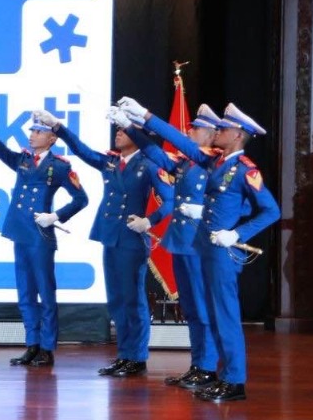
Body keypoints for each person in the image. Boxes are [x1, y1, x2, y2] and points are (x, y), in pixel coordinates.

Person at [117, 97, 280, 402]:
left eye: (225, 129)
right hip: (204, 246)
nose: (219, 131)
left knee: (225, 315)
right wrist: (141, 120)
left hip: (222, 251)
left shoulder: (245, 170)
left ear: (238, 135)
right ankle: (220, 374)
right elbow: (177, 143)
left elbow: (271, 211)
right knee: (214, 315)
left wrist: (237, 233)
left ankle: (235, 380)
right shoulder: (215, 161)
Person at [36, 108, 173, 378]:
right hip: (110, 235)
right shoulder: (110, 162)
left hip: (132, 238)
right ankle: (124, 355)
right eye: (118, 129)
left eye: (124, 130)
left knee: (133, 300)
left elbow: (170, 199)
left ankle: (137, 357)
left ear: (138, 135)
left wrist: (149, 221)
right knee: (116, 300)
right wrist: (59, 127)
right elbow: (82, 150)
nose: (118, 133)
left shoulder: (149, 164)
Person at [0, 111, 88, 367]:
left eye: (38, 132)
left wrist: (56, 216)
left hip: (40, 235)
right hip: (19, 231)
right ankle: (32, 344)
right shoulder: (23, 160)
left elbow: (81, 199)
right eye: (32, 131)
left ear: (52, 138)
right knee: (25, 293)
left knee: (45, 292)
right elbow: (0, 150)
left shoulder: (60, 166)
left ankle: (47, 347)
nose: (32, 135)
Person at [119, 104, 223, 388]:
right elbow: (155, 154)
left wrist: (146, 116)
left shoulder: (210, 161)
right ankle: (198, 364)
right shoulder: (188, 163)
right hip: (181, 242)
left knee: (201, 307)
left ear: (212, 134)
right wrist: (130, 128)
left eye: (196, 128)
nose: (189, 131)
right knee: (190, 308)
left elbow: (175, 139)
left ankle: (208, 366)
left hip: (198, 244)